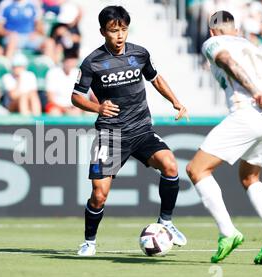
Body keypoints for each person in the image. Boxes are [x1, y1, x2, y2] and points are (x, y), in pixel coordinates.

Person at [71, 6, 190, 256]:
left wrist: (176, 101)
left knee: (170, 165)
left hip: (141, 130)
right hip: (111, 135)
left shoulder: (140, 53)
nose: (120, 36)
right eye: (114, 31)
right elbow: (76, 97)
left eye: (123, 29)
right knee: (99, 195)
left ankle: (166, 223)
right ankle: (89, 242)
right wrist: (98, 107)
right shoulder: (92, 62)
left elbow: (155, 78)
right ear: (103, 31)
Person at [186, 11, 262, 264]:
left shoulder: (213, 42)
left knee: (196, 170)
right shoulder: (253, 46)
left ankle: (227, 232)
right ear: (236, 29)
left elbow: (225, 61)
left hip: (248, 114)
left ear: (213, 31)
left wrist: (256, 93)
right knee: (250, 177)